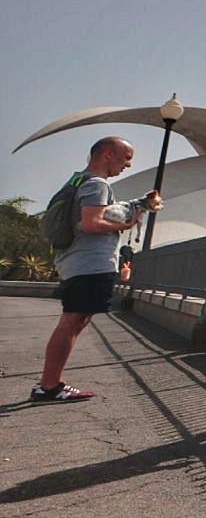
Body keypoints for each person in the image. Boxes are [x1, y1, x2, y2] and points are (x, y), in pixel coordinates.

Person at [31, 137, 159, 402]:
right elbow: (91, 223)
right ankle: (49, 386)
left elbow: (84, 220)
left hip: (74, 261)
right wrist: (125, 226)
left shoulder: (78, 180)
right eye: (126, 157)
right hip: (90, 264)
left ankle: (49, 384)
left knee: (73, 321)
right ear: (108, 154)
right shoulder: (97, 184)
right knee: (72, 322)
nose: (129, 164)